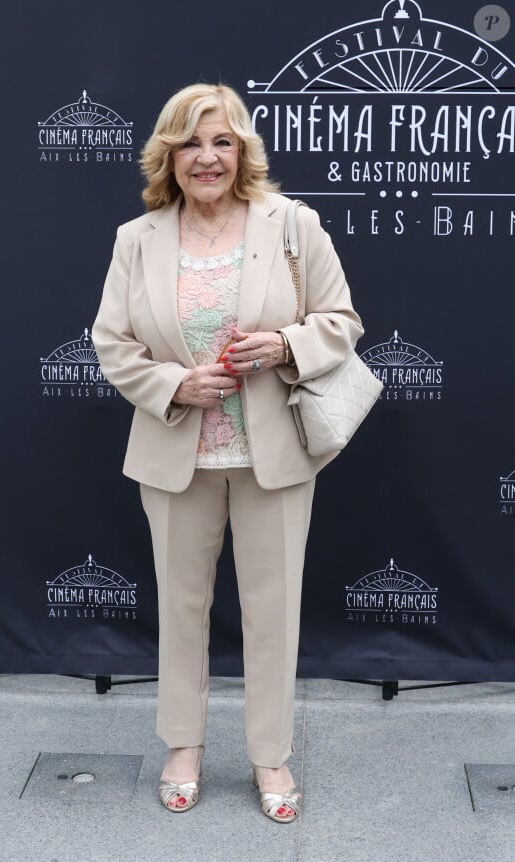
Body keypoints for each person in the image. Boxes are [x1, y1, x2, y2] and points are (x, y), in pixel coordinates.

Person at [92, 83, 364, 822]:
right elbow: (111, 344)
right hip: (176, 452)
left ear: (242, 149)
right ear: (168, 156)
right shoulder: (136, 239)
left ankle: (270, 756)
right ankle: (183, 747)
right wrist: (178, 384)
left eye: (220, 141)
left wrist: (284, 343)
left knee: (274, 613)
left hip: (274, 454)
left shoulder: (291, 225)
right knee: (181, 610)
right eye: (189, 143)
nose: (205, 158)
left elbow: (342, 321)